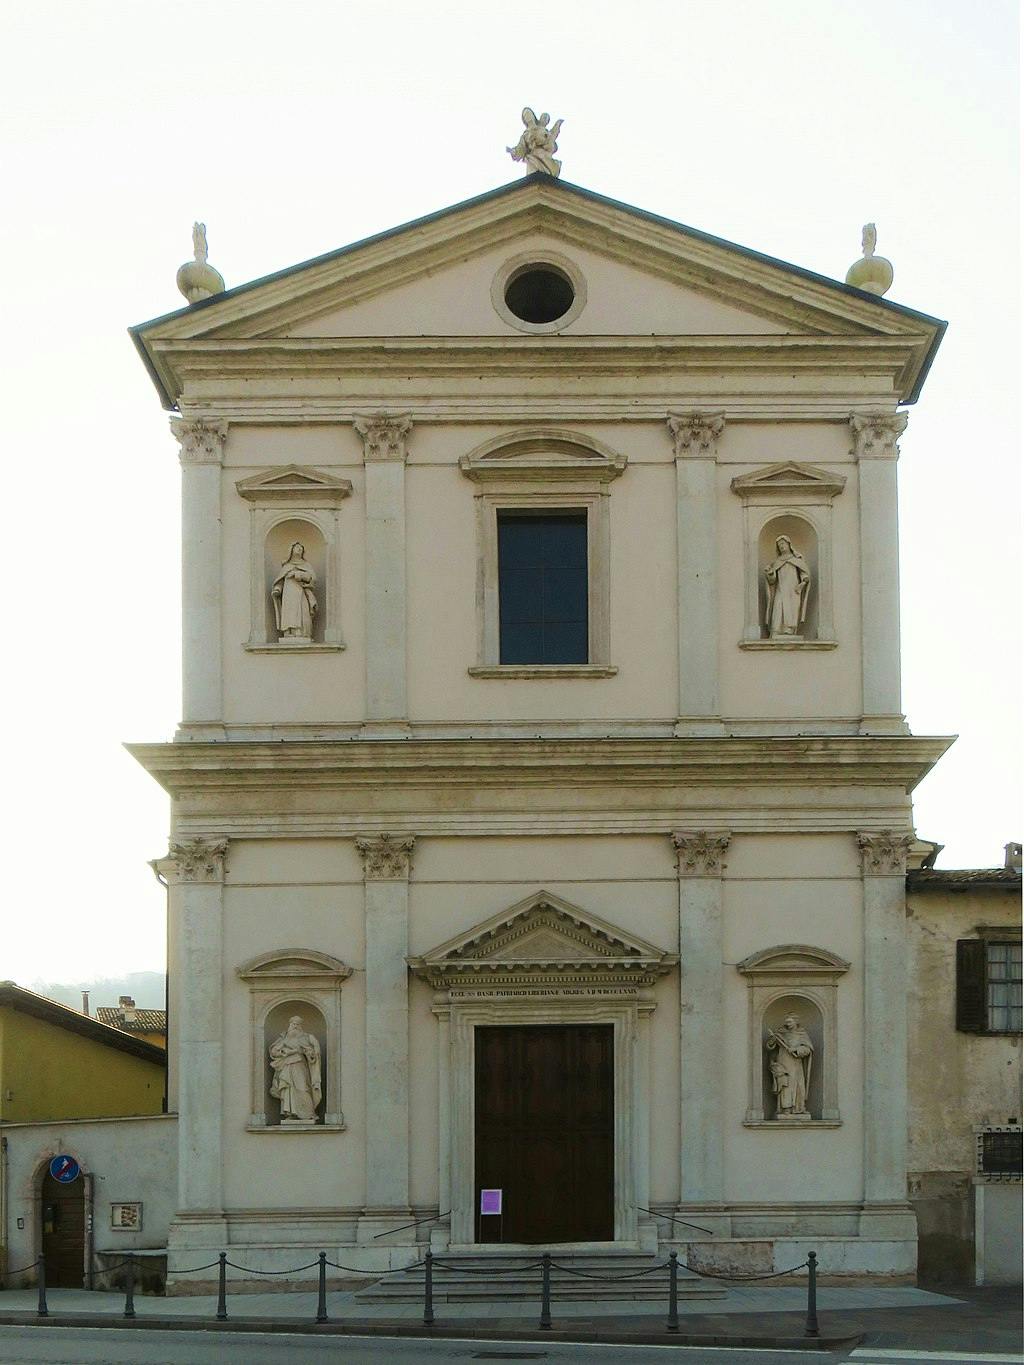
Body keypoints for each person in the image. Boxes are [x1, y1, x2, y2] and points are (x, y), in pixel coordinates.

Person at [269, 1015, 323, 1121]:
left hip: (300, 1065)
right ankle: (290, 1113)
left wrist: (311, 1052)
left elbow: (312, 1053)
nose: (295, 1026)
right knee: (288, 1088)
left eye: (297, 1024)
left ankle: (308, 1113)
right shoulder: (284, 1038)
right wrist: (283, 1052)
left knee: (303, 1087)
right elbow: (274, 1051)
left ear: (300, 1026)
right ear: (289, 1025)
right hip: (287, 1066)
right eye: (293, 1024)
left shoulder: (305, 1038)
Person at [766, 1014, 813, 1117]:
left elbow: (808, 1049)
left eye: (790, 1021)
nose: (788, 1024)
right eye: (787, 1022)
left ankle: (798, 1107)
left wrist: (796, 1049)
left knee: (797, 1084)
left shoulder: (802, 1034)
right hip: (783, 1061)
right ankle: (785, 1108)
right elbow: (770, 1047)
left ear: (796, 1022)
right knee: (785, 1084)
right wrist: (772, 1040)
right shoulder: (781, 1033)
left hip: (796, 1064)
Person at [764, 534, 810, 637]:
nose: (781, 546)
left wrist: (803, 582)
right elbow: (772, 581)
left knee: (792, 608)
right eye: (779, 545)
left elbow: (804, 573)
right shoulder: (776, 562)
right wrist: (770, 573)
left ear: (789, 545)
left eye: (783, 543)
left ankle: (789, 631)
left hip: (793, 590)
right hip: (781, 589)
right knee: (778, 607)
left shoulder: (797, 560)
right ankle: (776, 630)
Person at [272, 542, 317, 639]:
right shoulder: (286, 566)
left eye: (301, 547)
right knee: (289, 612)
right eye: (297, 547)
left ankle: (300, 632)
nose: (299, 549)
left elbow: (312, 578)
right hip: (288, 594)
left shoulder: (306, 565)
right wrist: (277, 589)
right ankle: (289, 632)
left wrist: (297, 574)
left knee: (302, 611)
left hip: (301, 592)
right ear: (291, 550)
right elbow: (280, 581)